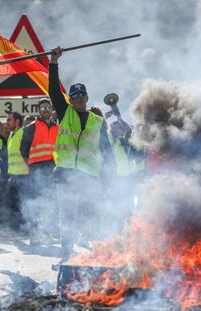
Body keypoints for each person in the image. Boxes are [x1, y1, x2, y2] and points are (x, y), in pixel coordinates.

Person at [49, 47, 115, 259]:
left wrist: (109, 176)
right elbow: (52, 90)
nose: (76, 99)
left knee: (91, 215)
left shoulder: (98, 121)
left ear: (87, 97)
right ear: (69, 99)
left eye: (80, 95)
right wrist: (53, 62)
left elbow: (107, 151)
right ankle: (66, 254)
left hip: (89, 176)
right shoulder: (64, 112)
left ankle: (95, 255)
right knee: (67, 215)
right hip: (66, 172)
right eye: (73, 96)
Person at [20, 98, 59, 244]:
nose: (46, 110)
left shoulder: (57, 128)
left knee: (50, 202)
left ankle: (47, 233)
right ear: (38, 110)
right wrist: (30, 167)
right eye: (42, 108)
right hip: (36, 170)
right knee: (36, 203)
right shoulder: (31, 127)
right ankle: (35, 235)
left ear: (52, 110)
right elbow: (23, 150)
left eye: (48, 107)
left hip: (53, 169)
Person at [6, 112, 28, 231]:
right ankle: (17, 230)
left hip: (23, 176)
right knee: (13, 205)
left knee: (22, 205)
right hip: (13, 176)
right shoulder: (11, 135)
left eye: (9, 120)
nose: (7, 122)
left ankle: (24, 229)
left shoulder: (22, 133)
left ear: (17, 121)